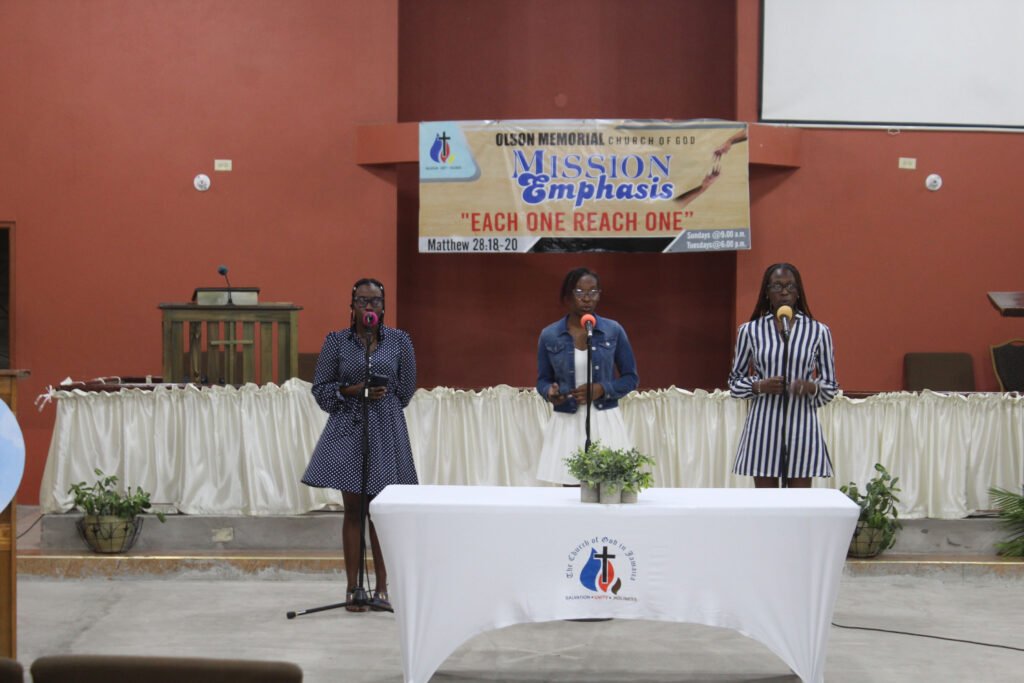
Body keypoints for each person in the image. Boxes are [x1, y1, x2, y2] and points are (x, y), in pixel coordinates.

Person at [302, 278, 417, 612]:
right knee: (353, 510)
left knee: (381, 512)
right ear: (351, 306)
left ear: (384, 306)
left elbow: (407, 388)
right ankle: (354, 589)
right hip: (349, 428)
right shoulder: (336, 342)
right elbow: (321, 389)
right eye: (364, 301)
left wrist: (382, 401)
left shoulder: (400, 341)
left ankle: (382, 589)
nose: (371, 307)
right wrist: (352, 391)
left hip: (386, 430)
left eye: (377, 301)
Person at [728, 263, 838, 488]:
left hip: (802, 425)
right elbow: (734, 383)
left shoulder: (819, 332)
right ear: (767, 292)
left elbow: (831, 385)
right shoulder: (749, 331)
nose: (784, 291)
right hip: (763, 426)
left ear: (798, 293)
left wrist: (812, 388)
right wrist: (759, 385)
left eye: (790, 286)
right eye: (777, 286)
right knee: (767, 506)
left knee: (799, 505)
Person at [535, 267, 639, 484]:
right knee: (571, 492)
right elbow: (542, 380)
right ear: (567, 296)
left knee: (609, 488)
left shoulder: (613, 330)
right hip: (567, 421)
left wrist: (602, 389)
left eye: (593, 292)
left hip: (604, 418)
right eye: (580, 292)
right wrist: (550, 392)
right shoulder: (549, 335)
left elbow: (631, 378)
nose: (587, 299)